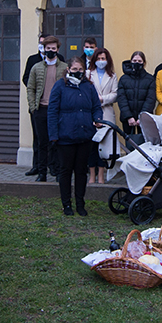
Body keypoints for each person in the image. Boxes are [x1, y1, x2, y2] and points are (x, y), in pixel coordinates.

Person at [49, 57, 103, 216]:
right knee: (65, 171)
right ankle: (66, 204)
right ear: (68, 70)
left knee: (81, 171)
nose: (78, 73)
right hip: (65, 137)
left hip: (85, 136)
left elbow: (96, 107)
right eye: (75, 70)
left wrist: (97, 119)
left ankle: (80, 203)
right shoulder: (60, 86)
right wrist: (53, 135)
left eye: (80, 70)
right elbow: (52, 112)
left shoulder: (88, 86)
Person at [25, 35, 63, 182]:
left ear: (57, 49)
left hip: (57, 110)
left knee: (57, 142)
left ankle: (58, 172)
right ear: (44, 49)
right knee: (42, 143)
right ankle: (42, 173)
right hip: (41, 109)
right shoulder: (37, 67)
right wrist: (33, 107)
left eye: (53, 49)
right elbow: (30, 88)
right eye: (48, 49)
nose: (51, 51)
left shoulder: (64, 68)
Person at [87, 47, 119, 184]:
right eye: (99, 59)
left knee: (104, 146)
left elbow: (115, 94)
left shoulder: (112, 75)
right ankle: (91, 174)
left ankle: (101, 174)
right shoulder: (88, 74)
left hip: (106, 113)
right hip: (90, 113)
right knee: (91, 146)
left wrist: (102, 99)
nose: (101, 61)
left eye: (103, 59)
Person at [22, 33, 47, 177]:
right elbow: (26, 79)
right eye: (41, 43)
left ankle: (53, 167)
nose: (42, 46)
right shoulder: (33, 60)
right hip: (37, 106)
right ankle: (36, 166)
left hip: (51, 106)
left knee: (52, 138)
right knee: (38, 138)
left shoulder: (58, 60)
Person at [117, 51, 156, 135]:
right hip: (127, 119)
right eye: (134, 61)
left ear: (144, 63)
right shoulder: (123, 79)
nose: (137, 63)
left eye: (139, 61)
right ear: (131, 62)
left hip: (144, 119)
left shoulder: (150, 79)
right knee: (129, 145)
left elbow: (150, 99)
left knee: (144, 144)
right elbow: (121, 99)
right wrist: (129, 116)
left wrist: (142, 118)